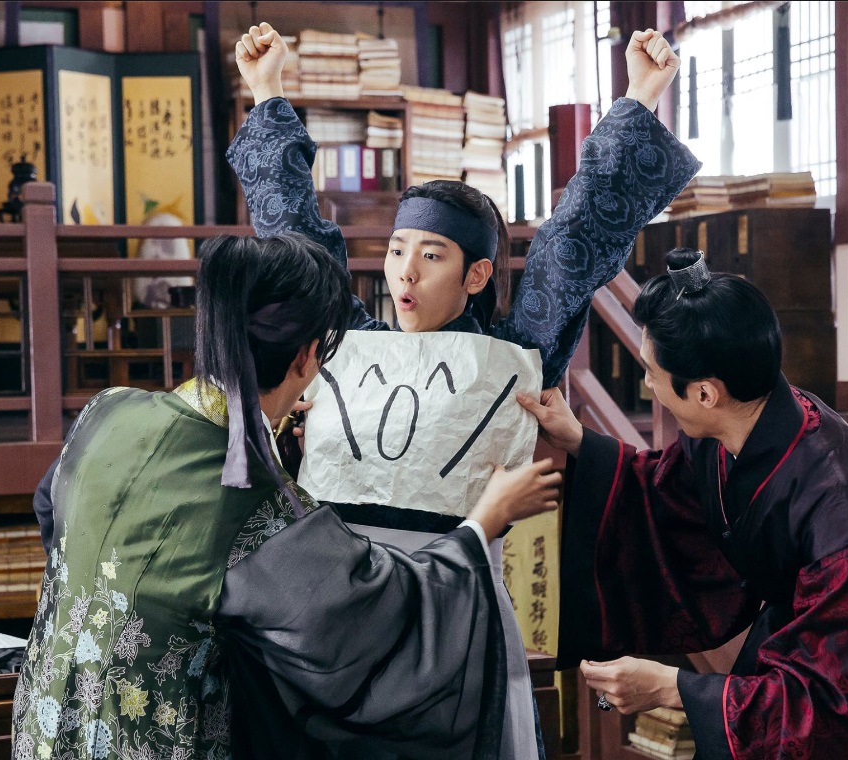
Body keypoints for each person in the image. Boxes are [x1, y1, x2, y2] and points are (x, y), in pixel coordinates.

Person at [229, 23, 700, 758]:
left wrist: (639, 95)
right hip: (333, 607)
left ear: (477, 274)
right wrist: (267, 92)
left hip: (454, 604)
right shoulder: (347, 339)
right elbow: (296, 235)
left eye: (432, 256)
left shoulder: (513, 353)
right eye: (396, 252)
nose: (405, 273)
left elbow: (571, 240)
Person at [16, 232, 563, 759]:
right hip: (162, 734)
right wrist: (483, 522)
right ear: (306, 357)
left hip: (51, 716)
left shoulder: (108, 411)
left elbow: (51, 506)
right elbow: (371, 615)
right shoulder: (256, 506)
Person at [517, 248, 848, 759]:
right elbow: (667, 495)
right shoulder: (741, 423)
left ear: (705, 393)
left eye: (650, 371)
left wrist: (675, 688)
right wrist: (579, 440)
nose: (647, 384)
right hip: (791, 654)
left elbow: (835, 709)